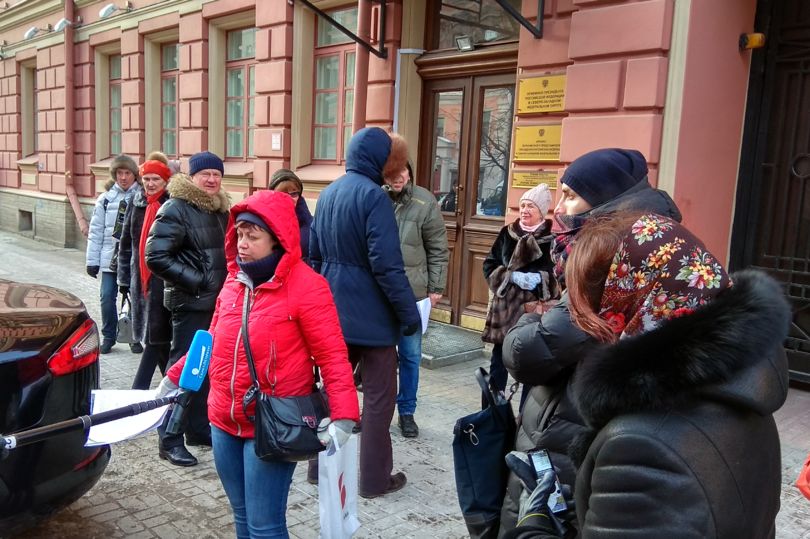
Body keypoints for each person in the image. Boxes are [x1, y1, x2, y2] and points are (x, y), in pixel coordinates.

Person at [506, 211, 790, 538]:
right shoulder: (746, 388)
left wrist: (535, 523)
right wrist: (594, 508)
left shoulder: (638, 445)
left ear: (625, 299)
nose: (581, 319)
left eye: (585, 307)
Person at [498, 148, 683, 533]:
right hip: (578, 429)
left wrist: (530, 320)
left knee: (541, 522)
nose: (559, 208)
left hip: (571, 438)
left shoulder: (614, 257)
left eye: (570, 196)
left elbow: (526, 353)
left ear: (603, 201)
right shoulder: (650, 243)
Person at [157, 190, 359, 538]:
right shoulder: (234, 281)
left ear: (277, 239)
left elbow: (332, 355)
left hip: (273, 422)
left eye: (253, 236)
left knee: (264, 526)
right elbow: (211, 338)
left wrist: (343, 415)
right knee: (241, 516)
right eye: (239, 234)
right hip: (223, 417)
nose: (242, 244)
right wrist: (177, 378)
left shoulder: (308, 287)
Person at [310, 128, 421, 498]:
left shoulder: (328, 193)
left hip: (333, 313)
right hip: (372, 318)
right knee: (378, 400)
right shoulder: (374, 197)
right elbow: (387, 266)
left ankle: (318, 467)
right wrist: (409, 314)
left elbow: (313, 256)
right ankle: (374, 480)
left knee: (333, 390)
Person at [145, 151, 230, 466]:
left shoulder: (219, 210)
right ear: (192, 177)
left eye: (216, 174)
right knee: (183, 370)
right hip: (190, 303)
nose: (211, 179)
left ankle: (197, 428)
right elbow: (155, 256)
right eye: (205, 174)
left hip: (215, 304)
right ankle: (168, 438)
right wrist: (199, 281)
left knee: (205, 369)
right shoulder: (176, 208)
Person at [383, 161, 449, 438]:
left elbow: (438, 247)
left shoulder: (425, 201)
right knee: (379, 356)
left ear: (409, 172)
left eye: (403, 171)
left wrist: (436, 288)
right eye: (392, 173)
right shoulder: (376, 198)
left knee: (410, 356)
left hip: (413, 294)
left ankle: (407, 411)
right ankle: (377, 410)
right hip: (380, 293)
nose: (398, 177)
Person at [481, 183, 557, 407]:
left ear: (541, 211)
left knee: (530, 366)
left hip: (533, 313)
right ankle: (492, 412)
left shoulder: (552, 238)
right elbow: (489, 265)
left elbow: (560, 276)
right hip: (505, 311)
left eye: (530, 206)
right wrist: (510, 277)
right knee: (498, 363)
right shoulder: (508, 233)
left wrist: (541, 279)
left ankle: (525, 415)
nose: (524, 210)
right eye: (522, 205)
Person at [117, 151, 173, 389]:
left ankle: (138, 390)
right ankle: (173, 388)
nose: (150, 184)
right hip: (140, 279)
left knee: (155, 337)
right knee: (157, 339)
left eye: (155, 179)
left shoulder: (172, 204)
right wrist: (123, 279)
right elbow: (125, 243)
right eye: (147, 179)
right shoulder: (135, 202)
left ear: (165, 181)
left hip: (164, 281)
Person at [86, 154, 142, 354]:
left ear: (134, 175)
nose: (123, 177)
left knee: (134, 298)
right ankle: (109, 336)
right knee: (106, 296)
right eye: (119, 173)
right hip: (110, 258)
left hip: (133, 259)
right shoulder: (105, 199)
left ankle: (134, 336)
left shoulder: (142, 197)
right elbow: (96, 232)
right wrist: (92, 261)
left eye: (127, 173)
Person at [268, 168, 313, 263]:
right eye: (283, 194)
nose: (289, 198)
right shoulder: (264, 223)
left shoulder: (311, 224)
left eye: (294, 193)